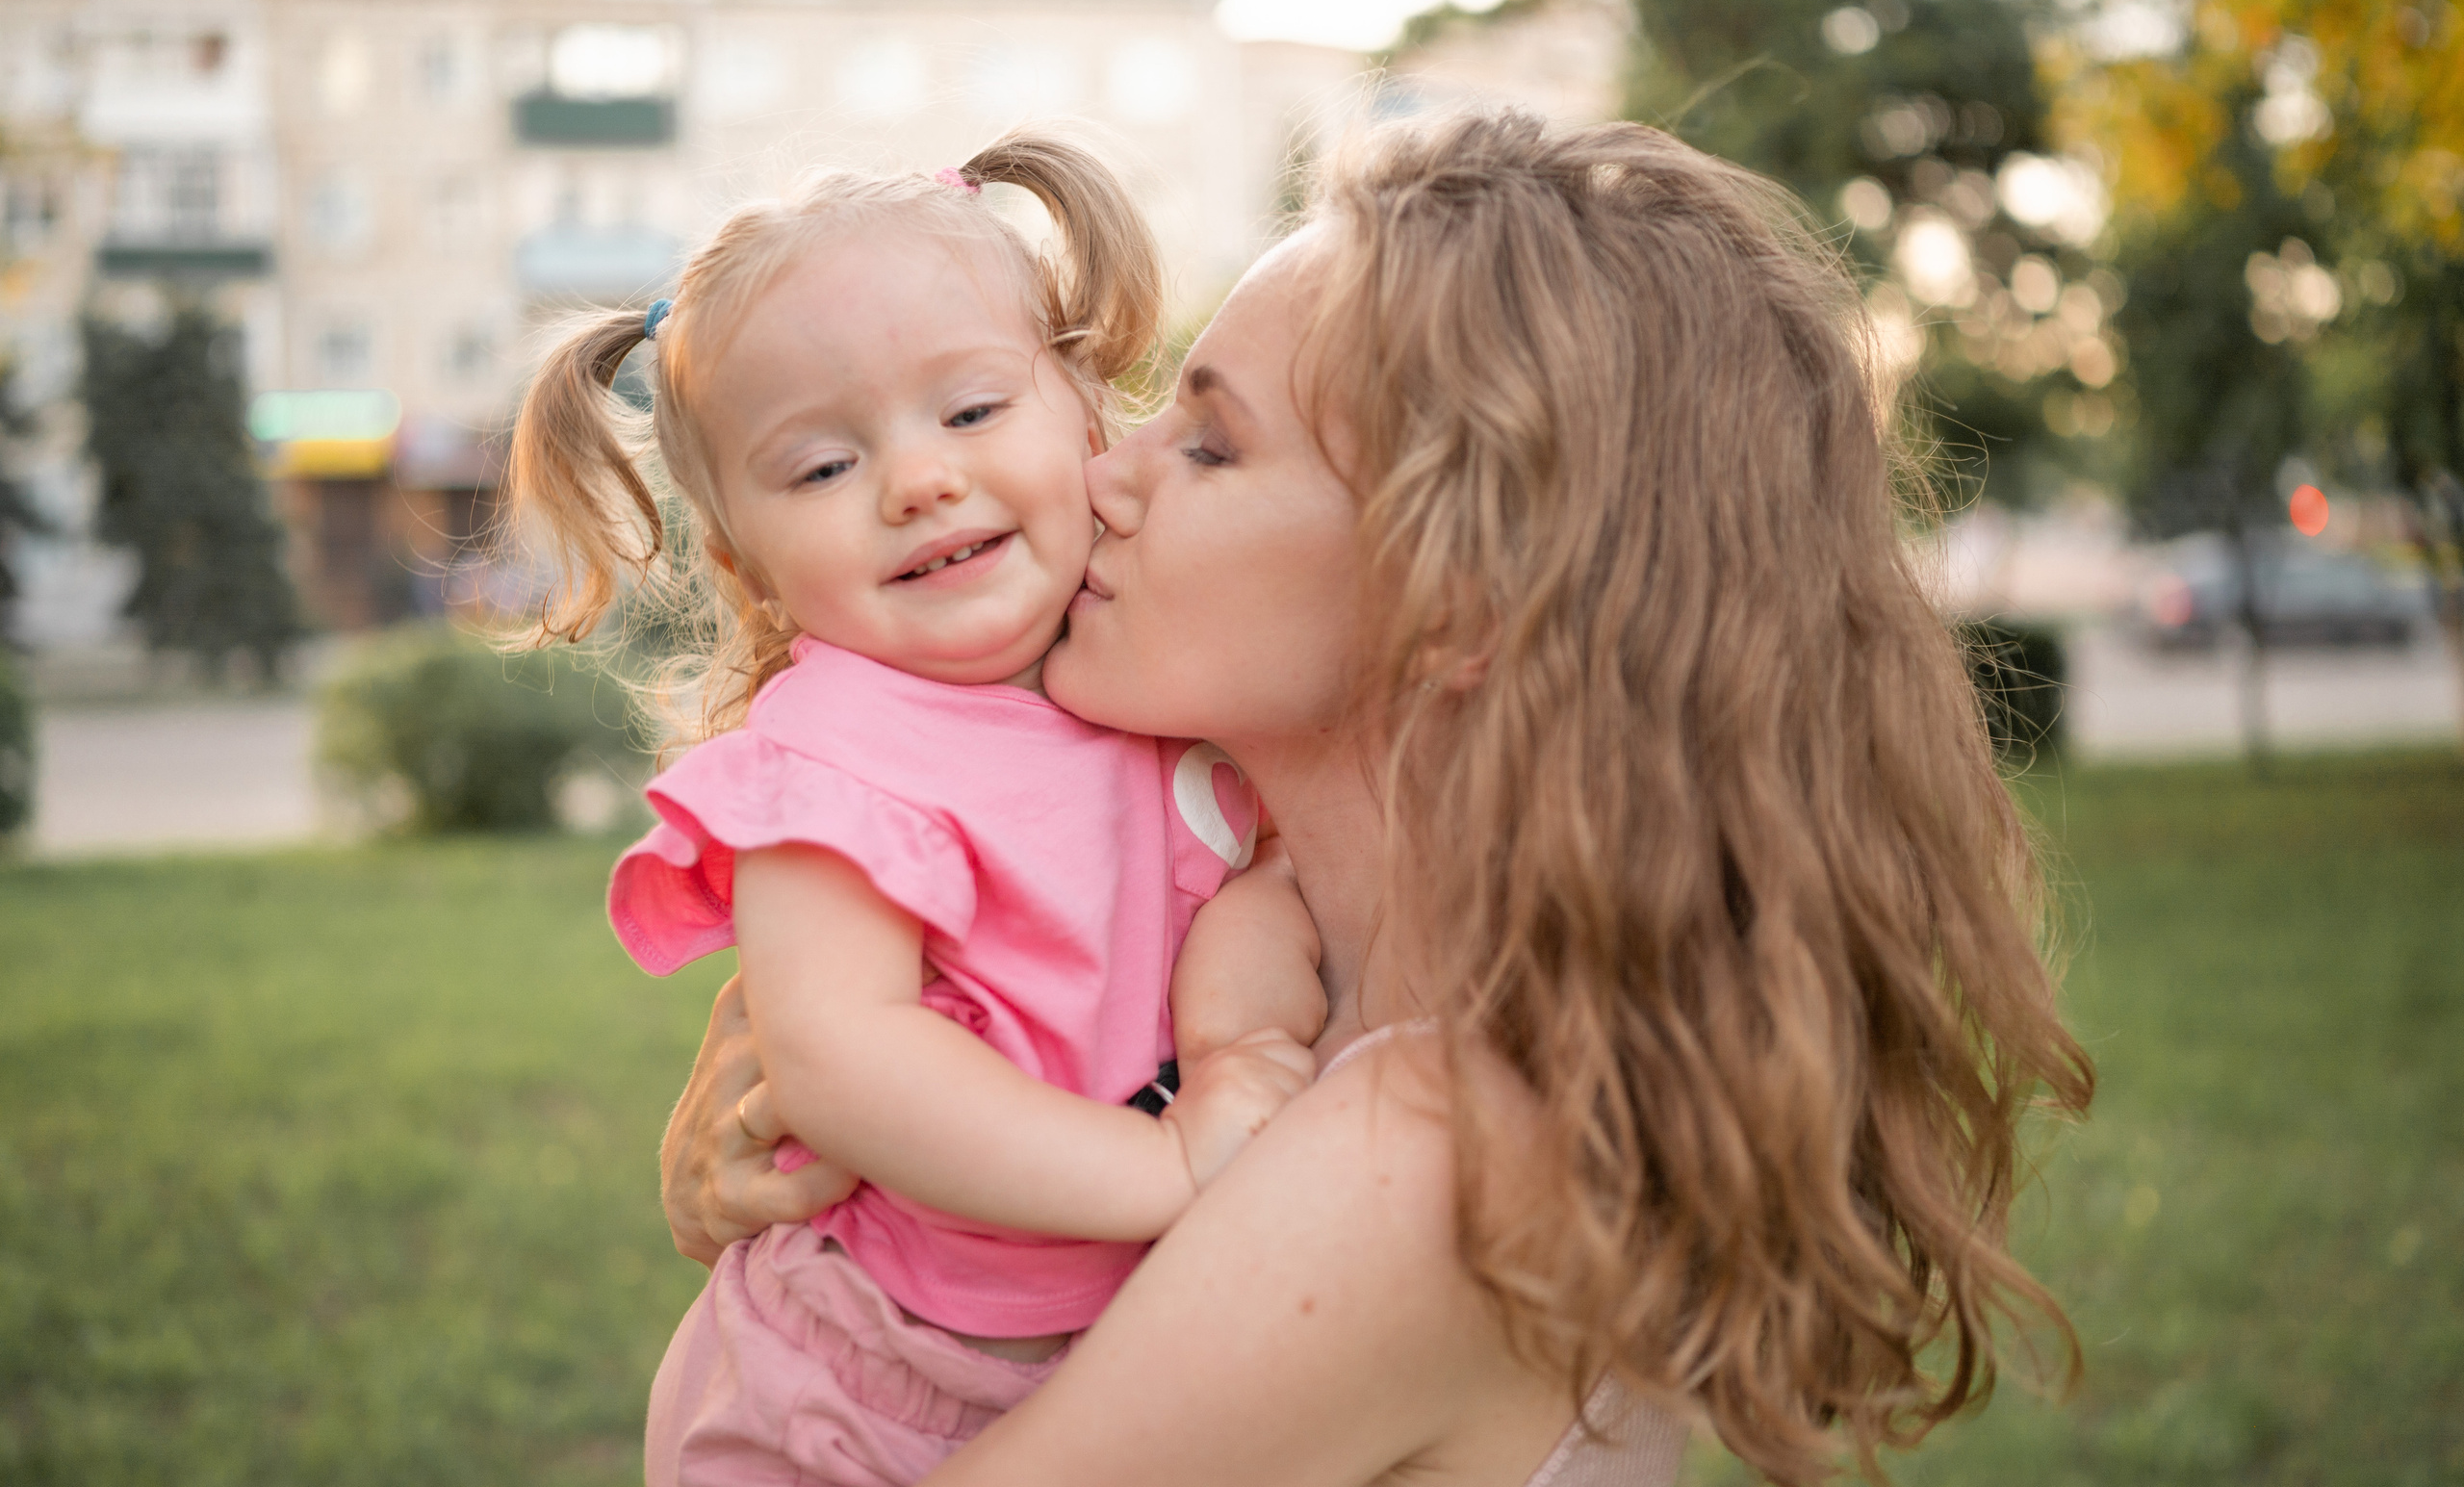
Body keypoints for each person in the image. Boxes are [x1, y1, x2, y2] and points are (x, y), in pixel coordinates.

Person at [658, 110, 2097, 1486]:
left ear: (1456, 595)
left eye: (1210, 445)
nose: (1104, 472)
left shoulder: (1413, 1160)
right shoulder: (1379, 981)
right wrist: (846, 1140)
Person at [508, 130, 1328, 1486]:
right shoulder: (840, 760)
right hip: (868, 1385)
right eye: (822, 469)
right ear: (744, 559)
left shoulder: (1145, 675)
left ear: (1085, 411)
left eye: (969, 412)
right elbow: (846, 1060)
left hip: (1104, 1355)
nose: (916, 480)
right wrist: (1170, 1168)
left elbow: (1245, 891)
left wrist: (1242, 1047)